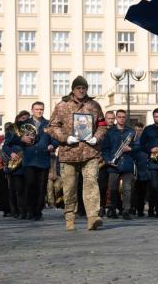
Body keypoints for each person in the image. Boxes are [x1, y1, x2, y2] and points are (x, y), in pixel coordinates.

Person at [47, 75, 107, 231]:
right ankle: (70, 217)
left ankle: (93, 217)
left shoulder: (94, 105)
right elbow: (52, 127)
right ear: (73, 90)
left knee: (91, 183)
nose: (81, 90)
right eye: (78, 88)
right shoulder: (62, 105)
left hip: (90, 152)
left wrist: (97, 137)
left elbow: (102, 124)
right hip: (69, 153)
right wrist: (66, 138)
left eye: (84, 88)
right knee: (70, 187)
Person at [23, 102, 58, 221]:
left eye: (41, 109)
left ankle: (38, 212)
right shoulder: (24, 124)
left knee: (41, 187)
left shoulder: (48, 124)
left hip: (43, 160)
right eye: (37, 109)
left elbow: (55, 139)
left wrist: (52, 145)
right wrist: (22, 139)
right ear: (32, 110)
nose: (39, 111)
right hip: (29, 160)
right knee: (30, 185)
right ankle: (29, 210)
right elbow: (15, 139)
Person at [102, 109, 136, 220]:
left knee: (127, 188)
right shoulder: (110, 131)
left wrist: (131, 148)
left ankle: (126, 211)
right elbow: (105, 149)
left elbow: (138, 146)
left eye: (123, 117)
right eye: (119, 117)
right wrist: (108, 160)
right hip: (113, 164)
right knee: (112, 189)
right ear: (116, 118)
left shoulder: (131, 131)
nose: (121, 119)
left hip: (127, 163)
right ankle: (112, 209)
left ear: (125, 118)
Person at [3, 111, 30, 219]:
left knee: (28, 188)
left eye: (27, 119)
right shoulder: (12, 130)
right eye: (23, 118)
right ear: (18, 119)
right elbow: (5, 146)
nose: (25, 120)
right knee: (18, 189)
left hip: (28, 163)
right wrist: (12, 153)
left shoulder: (30, 129)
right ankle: (19, 211)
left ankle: (28, 211)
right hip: (16, 164)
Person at [97, 110, 115, 217]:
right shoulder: (100, 130)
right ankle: (101, 207)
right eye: (109, 118)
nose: (111, 121)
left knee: (113, 187)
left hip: (113, 162)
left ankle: (112, 208)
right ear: (105, 118)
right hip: (102, 162)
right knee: (102, 186)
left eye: (113, 118)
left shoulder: (117, 130)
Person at [131, 122, 148, 217]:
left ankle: (140, 210)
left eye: (140, 130)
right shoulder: (131, 140)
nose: (138, 132)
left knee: (142, 191)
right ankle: (133, 208)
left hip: (144, 168)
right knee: (133, 190)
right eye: (136, 130)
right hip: (134, 167)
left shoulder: (145, 140)